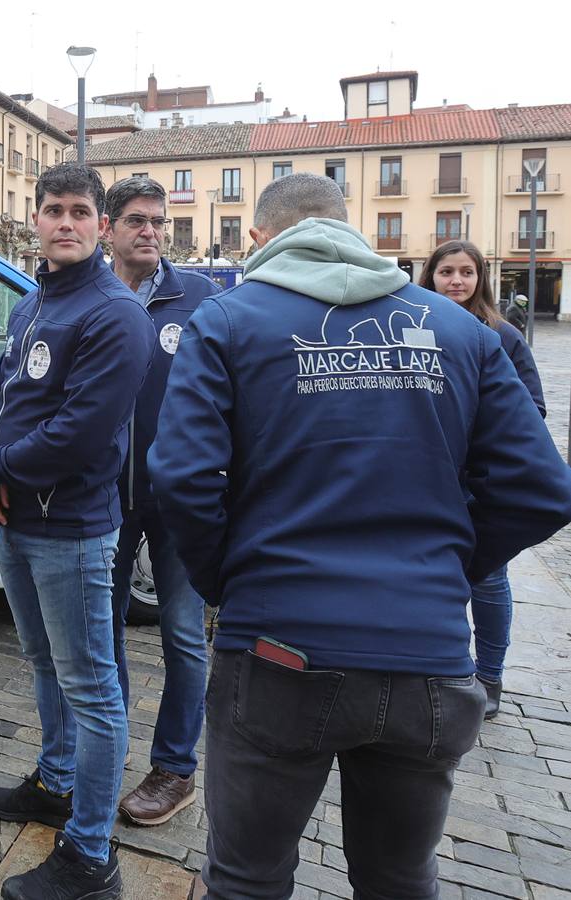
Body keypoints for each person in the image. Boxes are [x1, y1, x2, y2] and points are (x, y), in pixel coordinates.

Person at [151, 173, 571, 898]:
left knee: (247, 879)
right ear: (350, 231)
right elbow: (541, 489)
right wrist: (449, 565)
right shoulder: (459, 329)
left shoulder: (224, 320)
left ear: (259, 237)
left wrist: (227, 580)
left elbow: (182, 480)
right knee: (399, 878)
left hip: (279, 647)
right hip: (427, 655)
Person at [0, 162, 154, 900]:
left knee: (92, 687)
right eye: (54, 210)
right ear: (36, 219)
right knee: (44, 666)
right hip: (19, 519)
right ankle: (55, 781)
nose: (66, 222)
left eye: (81, 211)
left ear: (101, 226)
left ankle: (88, 855)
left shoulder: (114, 313)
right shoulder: (34, 300)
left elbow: (79, 435)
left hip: (72, 528)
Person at [101, 176, 218, 827]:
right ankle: (103, 752)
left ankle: (174, 769)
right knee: (103, 632)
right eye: (136, 221)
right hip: (101, 501)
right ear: (109, 229)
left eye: (157, 220)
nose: (149, 231)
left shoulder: (199, 297)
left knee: (181, 635)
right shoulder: (86, 293)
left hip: (180, 500)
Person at [422, 239, 546, 718]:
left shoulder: (503, 336)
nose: (456, 281)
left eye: (466, 273)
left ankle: (489, 676)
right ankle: (444, 667)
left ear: (481, 280)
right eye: (447, 272)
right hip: (432, 479)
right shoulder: (416, 326)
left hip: (476, 483)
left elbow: (531, 411)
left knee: (489, 582)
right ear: (431, 276)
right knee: (435, 578)